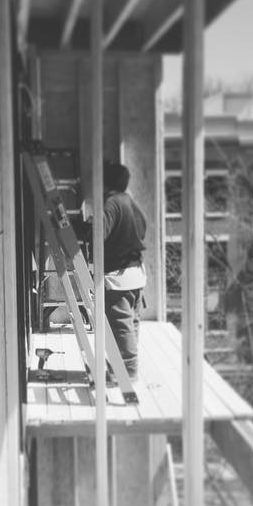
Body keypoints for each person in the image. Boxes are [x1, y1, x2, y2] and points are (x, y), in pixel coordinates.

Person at [82, 161, 147, 382]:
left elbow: (99, 235)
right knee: (131, 323)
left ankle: (128, 371)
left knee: (120, 325)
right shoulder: (129, 201)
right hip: (136, 274)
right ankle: (124, 365)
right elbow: (143, 227)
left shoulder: (110, 203)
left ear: (105, 182)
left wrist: (90, 229)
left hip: (118, 277)